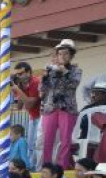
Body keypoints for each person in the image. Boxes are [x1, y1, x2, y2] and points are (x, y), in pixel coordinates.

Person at [40, 40, 82, 169]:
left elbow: (74, 85)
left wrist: (65, 72)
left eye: (66, 53)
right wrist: (45, 77)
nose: (62, 56)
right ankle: (46, 167)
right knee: (47, 139)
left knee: (65, 139)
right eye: (60, 54)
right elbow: (43, 89)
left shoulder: (76, 70)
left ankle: (62, 166)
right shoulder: (52, 70)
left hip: (67, 108)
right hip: (50, 108)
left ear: (71, 56)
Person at [12, 61, 42, 167]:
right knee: (30, 144)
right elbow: (19, 106)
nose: (18, 76)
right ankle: (31, 166)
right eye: (17, 75)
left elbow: (29, 104)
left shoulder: (35, 82)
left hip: (41, 116)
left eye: (21, 74)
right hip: (33, 116)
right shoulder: (22, 85)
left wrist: (18, 90)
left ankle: (36, 167)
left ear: (28, 72)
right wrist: (18, 90)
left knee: (37, 144)